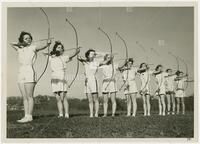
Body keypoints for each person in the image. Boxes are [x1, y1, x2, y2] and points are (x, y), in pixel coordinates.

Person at [10, 31, 51, 123]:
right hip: (21, 71)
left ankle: (30, 116)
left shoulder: (33, 48)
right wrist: (22, 44)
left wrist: (47, 44)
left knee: (29, 96)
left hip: (29, 70)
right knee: (24, 97)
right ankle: (26, 116)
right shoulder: (19, 49)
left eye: (29, 38)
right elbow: (11, 43)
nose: (28, 39)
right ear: (22, 40)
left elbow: (43, 47)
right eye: (26, 38)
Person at [44, 41, 80, 118]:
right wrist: (51, 53)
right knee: (57, 98)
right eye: (58, 47)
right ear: (55, 48)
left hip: (61, 76)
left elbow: (73, 54)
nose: (60, 49)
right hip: (54, 77)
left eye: (61, 48)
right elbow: (44, 52)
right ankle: (60, 114)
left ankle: (66, 114)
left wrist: (77, 50)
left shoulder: (64, 57)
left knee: (63, 97)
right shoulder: (51, 57)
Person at [78, 49, 109, 118]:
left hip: (93, 80)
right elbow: (79, 58)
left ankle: (96, 113)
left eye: (93, 54)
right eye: (91, 54)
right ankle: (91, 113)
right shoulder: (85, 62)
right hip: (87, 81)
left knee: (95, 98)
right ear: (88, 55)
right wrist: (79, 57)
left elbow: (105, 62)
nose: (93, 55)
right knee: (89, 99)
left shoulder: (96, 62)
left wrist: (98, 53)